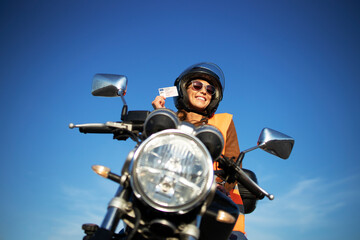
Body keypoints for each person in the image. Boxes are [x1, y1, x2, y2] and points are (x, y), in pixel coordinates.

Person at [152, 62, 247, 240]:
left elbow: (234, 161)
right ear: (184, 90)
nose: (204, 91)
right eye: (197, 85)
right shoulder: (169, 119)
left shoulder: (224, 121)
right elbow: (153, 152)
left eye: (210, 89)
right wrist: (158, 115)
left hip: (215, 205)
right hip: (167, 195)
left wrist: (222, 184)